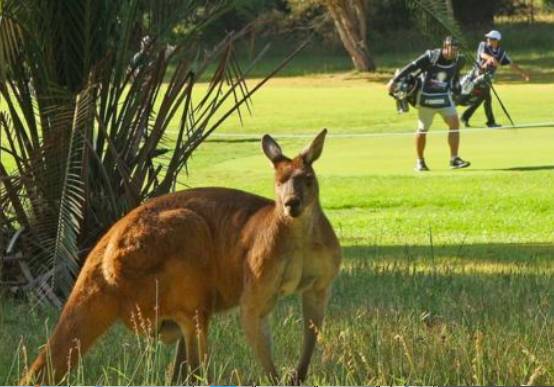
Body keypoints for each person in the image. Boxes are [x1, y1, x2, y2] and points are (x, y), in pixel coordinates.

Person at [388, 36, 470, 171]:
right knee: (422, 130)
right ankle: (420, 162)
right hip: (427, 98)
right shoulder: (431, 56)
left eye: (455, 50)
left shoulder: (459, 60)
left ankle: (454, 159)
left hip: (444, 97)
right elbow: (411, 67)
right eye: (450, 49)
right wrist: (394, 81)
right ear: (444, 47)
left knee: (454, 124)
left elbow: (455, 74)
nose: (453, 52)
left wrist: (457, 87)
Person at [461, 30, 530, 128]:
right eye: (488, 38)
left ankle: (467, 117)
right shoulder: (483, 45)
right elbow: (482, 55)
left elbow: (511, 64)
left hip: (486, 79)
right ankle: (489, 122)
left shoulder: (501, 52)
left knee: (483, 98)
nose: (488, 39)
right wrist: (491, 59)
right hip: (476, 76)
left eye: (490, 38)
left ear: (496, 40)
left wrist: (523, 73)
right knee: (484, 98)